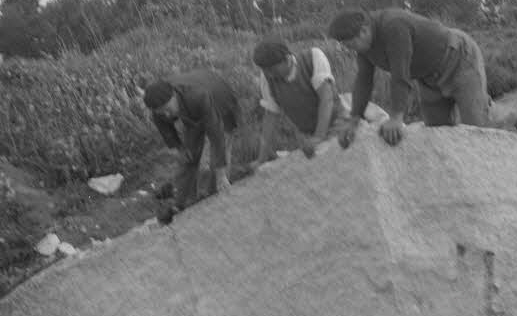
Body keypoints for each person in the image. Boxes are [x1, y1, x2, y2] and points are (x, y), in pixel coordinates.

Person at [327, 7, 499, 147]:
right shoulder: (364, 48)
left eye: (350, 44)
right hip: (429, 78)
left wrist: (396, 118)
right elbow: (363, 81)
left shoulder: (394, 26)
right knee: (437, 132)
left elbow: (400, 74)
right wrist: (354, 118)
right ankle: (482, 106)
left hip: (459, 60)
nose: (350, 49)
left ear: (363, 30)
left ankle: (516, 119)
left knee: (478, 130)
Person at [248, 38, 388, 169]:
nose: (269, 74)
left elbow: (326, 99)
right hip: (307, 132)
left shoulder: (314, 57)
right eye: (265, 70)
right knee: (313, 164)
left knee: (345, 156)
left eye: (272, 69)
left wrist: (319, 137)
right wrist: (261, 159)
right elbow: (271, 116)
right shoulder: (267, 77)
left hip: (338, 120)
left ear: (287, 59)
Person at [143, 69, 240, 218]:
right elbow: (168, 132)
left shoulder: (197, 95)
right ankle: (182, 202)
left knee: (214, 162)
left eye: (168, 109)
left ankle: (218, 195)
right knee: (189, 157)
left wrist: (220, 174)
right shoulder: (159, 109)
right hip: (191, 110)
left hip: (220, 100)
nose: (167, 115)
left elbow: (217, 136)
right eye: (162, 112)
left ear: (174, 95)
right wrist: (181, 148)